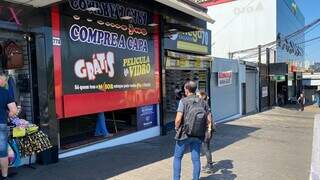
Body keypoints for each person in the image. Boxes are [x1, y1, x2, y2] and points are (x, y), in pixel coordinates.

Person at [173, 81, 212, 180]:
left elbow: (178, 119)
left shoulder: (183, 101)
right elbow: (208, 119)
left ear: (186, 89)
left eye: (185, 89)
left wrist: (177, 128)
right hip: (198, 134)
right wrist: (208, 130)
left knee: (177, 158)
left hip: (184, 134)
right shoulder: (203, 101)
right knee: (196, 159)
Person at [0, 72, 18, 179]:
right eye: (4, 80)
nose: (5, 82)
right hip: (1, 124)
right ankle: (4, 175)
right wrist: (9, 114)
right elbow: (14, 111)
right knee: (2, 152)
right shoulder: (5, 92)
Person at [198, 91, 215, 173]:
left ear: (201, 97)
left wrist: (209, 130)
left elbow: (208, 119)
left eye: (198, 96)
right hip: (207, 130)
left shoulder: (204, 105)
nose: (197, 97)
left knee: (206, 148)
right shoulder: (205, 105)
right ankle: (208, 164)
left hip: (206, 130)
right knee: (206, 147)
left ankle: (210, 166)